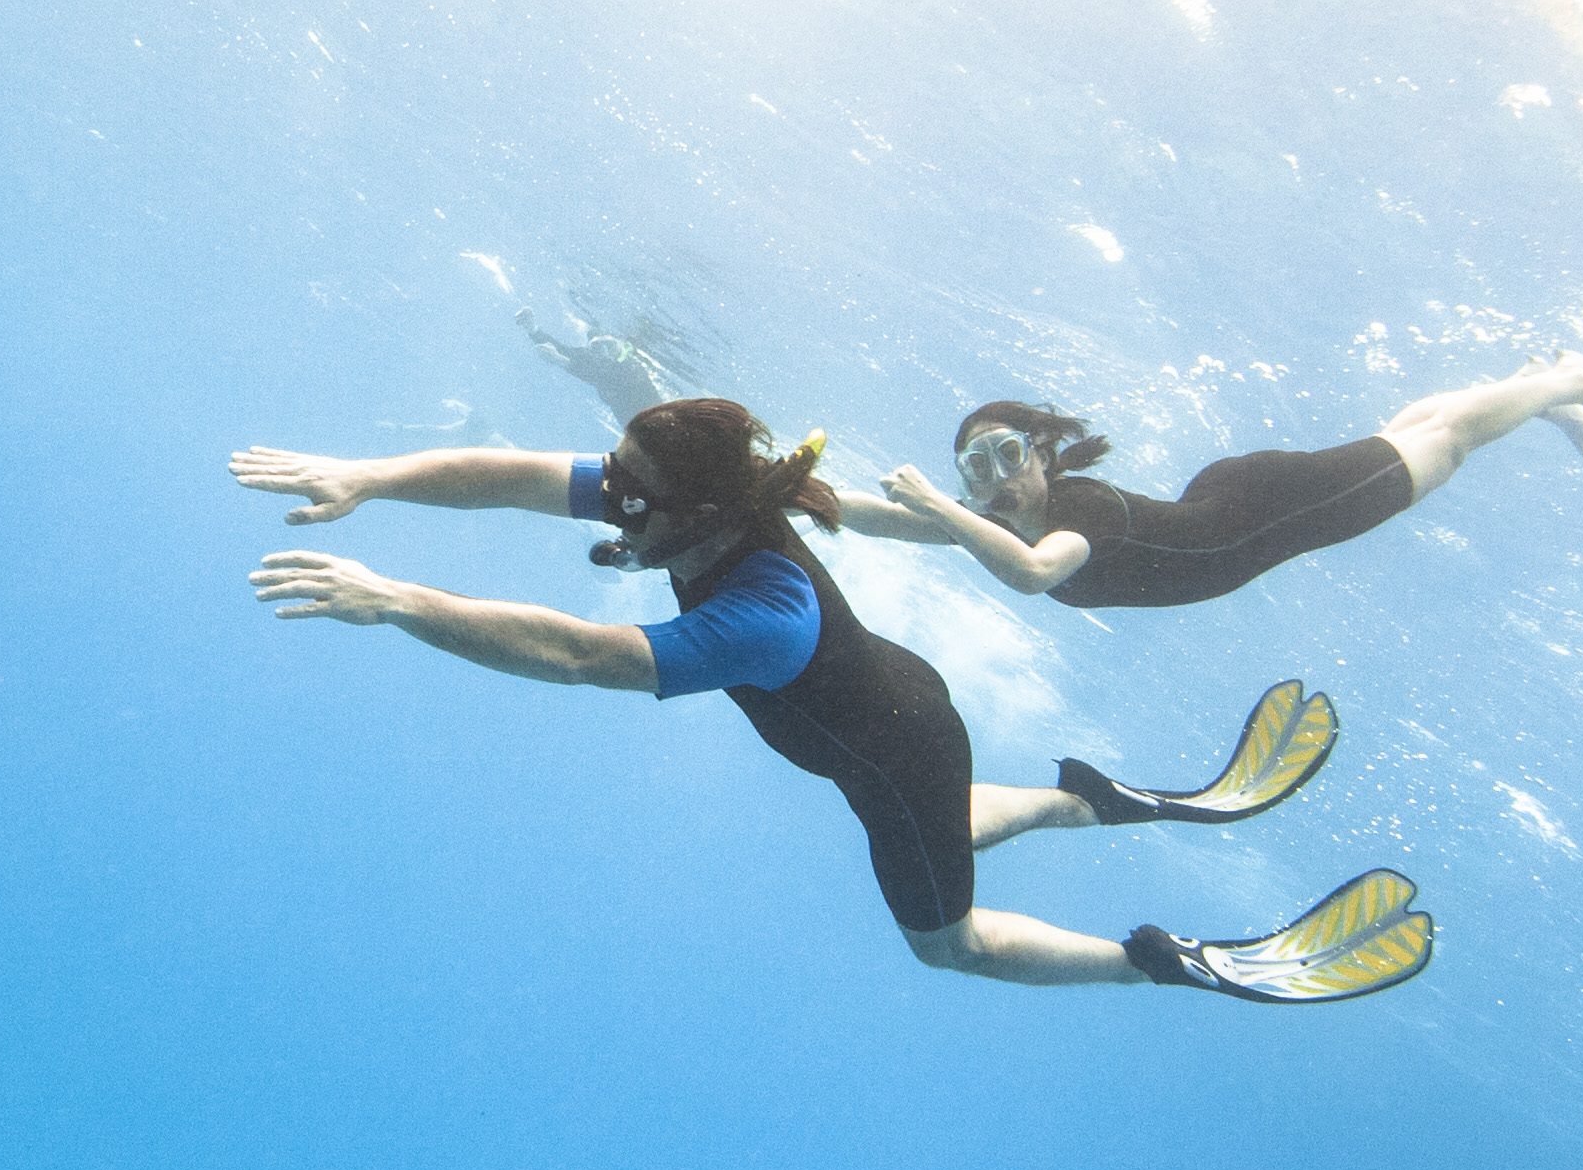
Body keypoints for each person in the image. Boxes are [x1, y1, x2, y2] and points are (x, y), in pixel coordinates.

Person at [229, 398, 1433, 1001]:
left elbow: (588, 657)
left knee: (941, 941)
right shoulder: (680, 499)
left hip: (894, 744)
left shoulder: (764, 610)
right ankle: (1093, 802)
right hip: (899, 725)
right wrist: (367, 478)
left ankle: (1160, 960)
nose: (608, 497)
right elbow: (508, 473)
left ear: (695, 506)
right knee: (943, 819)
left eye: (629, 489)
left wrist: (393, 597)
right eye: (618, 478)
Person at [841, 353, 1583, 608]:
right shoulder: (996, 526)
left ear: (1045, 457)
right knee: (1413, 435)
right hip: (1232, 499)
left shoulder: (1072, 514)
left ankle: (1576, 379)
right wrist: (777, 492)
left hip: (1264, 509)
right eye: (976, 469)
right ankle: (1534, 392)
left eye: (1009, 452)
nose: (996, 477)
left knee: (1441, 444)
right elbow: (882, 520)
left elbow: (1038, 573)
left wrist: (937, 502)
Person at [516, 306, 686, 429]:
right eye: (597, 348)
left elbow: (611, 380)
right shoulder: (592, 362)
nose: (603, 353)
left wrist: (563, 362)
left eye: (609, 346)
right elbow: (560, 348)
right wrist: (532, 329)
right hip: (637, 428)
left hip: (656, 419)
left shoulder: (630, 366)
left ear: (621, 348)